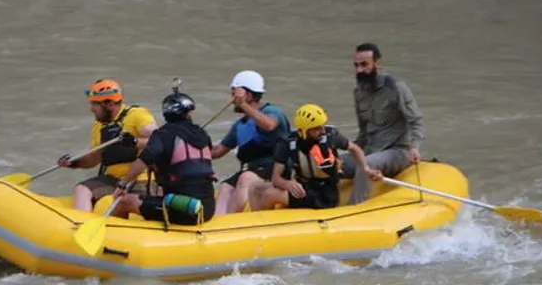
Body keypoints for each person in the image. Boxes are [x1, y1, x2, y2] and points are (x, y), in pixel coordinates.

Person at [249, 103, 382, 211]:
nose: (322, 131)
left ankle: (267, 227)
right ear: (304, 130)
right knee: (255, 187)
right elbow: (275, 179)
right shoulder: (287, 143)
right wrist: (287, 183)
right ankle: (255, 222)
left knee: (269, 195)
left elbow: (355, 149)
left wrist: (365, 167)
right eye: (317, 128)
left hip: (324, 195)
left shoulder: (331, 137)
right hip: (304, 188)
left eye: (322, 126)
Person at [112, 91, 217, 226]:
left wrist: (122, 183)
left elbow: (146, 158)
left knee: (124, 202)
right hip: (208, 207)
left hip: (184, 209)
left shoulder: (163, 134)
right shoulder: (203, 134)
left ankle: (117, 238)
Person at [57, 78, 159, 213]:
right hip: (112, 179)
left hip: (140, 178)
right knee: (82, 189)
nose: (91, 109)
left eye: (95, 104)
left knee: (129, 203)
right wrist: (73, 163)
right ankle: (79, 225)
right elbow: (94, 158)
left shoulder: (137, 114)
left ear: (109, 104)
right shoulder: (98, 126)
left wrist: (134, 142)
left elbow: (158, 139)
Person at [342, 42, 425, 204]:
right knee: (330, 160)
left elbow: (416, 121)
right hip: (370, 150)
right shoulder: (358, 92)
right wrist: (349, 148)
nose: (359, 70)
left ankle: (354, 209)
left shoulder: (396, 88)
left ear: (377, 64)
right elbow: (363, 131)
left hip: (397, 151)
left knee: (368, 163)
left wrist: (415, 147)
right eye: (356, 65)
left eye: (364, 65)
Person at [210, 70, 291, 215]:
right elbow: (219, 151)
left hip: (274, 168)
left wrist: (243, 105)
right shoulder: (240, 125)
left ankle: (236, 220)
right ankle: (217, 223)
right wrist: (192, 149)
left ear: (247, 95)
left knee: (245, 178)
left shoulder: (272, 111)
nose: (232, 99)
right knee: (226, 186)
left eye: (234, 93)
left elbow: (269, 125)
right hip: (252, 169)